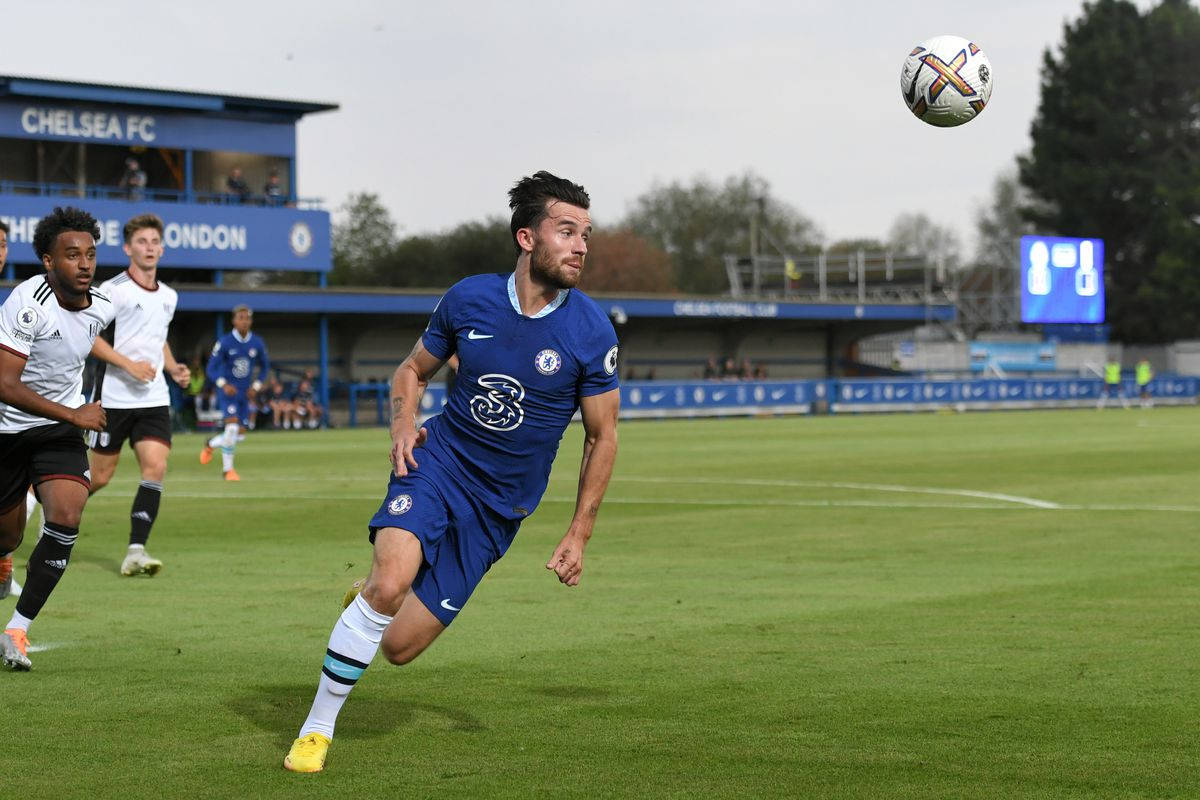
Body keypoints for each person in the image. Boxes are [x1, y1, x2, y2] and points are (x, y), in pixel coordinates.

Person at [283, 171, 621, 773]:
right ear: (526, 236)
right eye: (566, 231)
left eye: (586, 234)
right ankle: (316, 729)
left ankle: (367, 603)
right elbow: (411, 371)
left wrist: (579, 533)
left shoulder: (591, 329)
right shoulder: (468, 298)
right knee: (390, 582)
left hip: (500, 509)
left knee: (398, 646)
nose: (580, 246)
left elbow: (603, 436)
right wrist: (401, 426)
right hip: (437, 465)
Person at [0, 206, 113, 670]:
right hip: (7, 430)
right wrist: (76, 412)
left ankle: (17, 630)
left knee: (66, 514)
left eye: (89, 254)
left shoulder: (103, 306)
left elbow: (92, 342)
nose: (84, 263)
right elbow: (5, 384)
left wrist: (89, 406)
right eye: (72, 255)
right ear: (48, 261)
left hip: (59, 432)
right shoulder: (27, 304)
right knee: (6, 535)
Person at [85, 214, 191, 577]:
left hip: (153, 398)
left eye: (154, 242)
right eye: (141, 242)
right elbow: (88, 335)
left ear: (162, 247)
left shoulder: (169, 296)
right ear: (128, 248)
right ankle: (49, 505)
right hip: (113, 398)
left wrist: (173, 367)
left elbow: (156, 336)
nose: (149, 248)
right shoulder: (113, 289)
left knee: (156, 467)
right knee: (98, 477)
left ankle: (135, 551)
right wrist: (127, 364)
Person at [200, 305, 270, 480]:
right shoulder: (225, 342)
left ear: (251, 321)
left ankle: (210, 444)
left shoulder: (257, 343)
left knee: (239, 435)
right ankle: (228, 471)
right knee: (231, 428)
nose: (244, 321)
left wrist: (256, 386)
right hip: (229, 392)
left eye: (247, 318)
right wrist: (223, 384)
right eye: (240, 318)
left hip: (246, 394)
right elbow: (211, 368)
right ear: (234, 320)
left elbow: (265, 367)